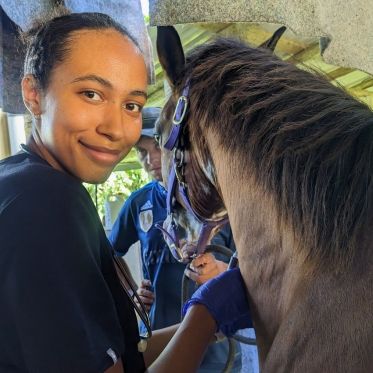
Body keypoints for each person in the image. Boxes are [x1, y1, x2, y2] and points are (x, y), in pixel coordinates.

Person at [0, 9, 252, 373]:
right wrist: (205, 315)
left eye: (131, 104)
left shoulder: (19, 178)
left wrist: (204, 323)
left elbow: (124, 356)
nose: (117, 129)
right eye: (91, 94)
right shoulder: (47, 202)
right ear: (33, 94)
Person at [110, 108, 242, 372]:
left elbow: (254, 268)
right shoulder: (139, 203)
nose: (150, 160)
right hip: (161, 342)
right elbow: (109, 253)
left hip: (217, 346)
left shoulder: (220, 199)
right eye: (142, 152)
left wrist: (222, 271)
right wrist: (131, 291)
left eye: (157, 148)